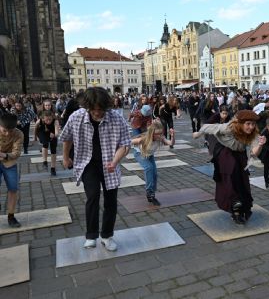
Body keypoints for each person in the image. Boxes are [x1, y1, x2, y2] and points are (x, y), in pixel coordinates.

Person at [60, 87, 130, 251]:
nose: (98, 113)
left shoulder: (116, 118)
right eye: (94, 109)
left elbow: (124, 144)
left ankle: (107, 236)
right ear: (88, 107)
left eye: (101, 109)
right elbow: (67, 138)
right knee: (92, 196)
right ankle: (91, 235)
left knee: (111, 200)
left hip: (109, 163)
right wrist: (65, 157)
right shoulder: (77, 117)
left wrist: (115, 161)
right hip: (87, 162)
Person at [193, 110, 265, 224]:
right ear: (240, 123)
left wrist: (260, 145)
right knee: (231, 170)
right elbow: (208, 127)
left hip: (239, 153)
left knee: (242, 178)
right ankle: (234, 200)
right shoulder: (228, 127)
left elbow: (254, 153)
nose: (251, 127)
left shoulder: (254, 133)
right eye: (248, 124)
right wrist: (198, 133)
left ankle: (238, 210)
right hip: (223, 150)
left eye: (253, 124)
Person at [131, 121, 175, 206]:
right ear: (152, 133)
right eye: (157, 134)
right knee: (149, 168)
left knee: (154, 173)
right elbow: (130, 141)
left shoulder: (161, 138)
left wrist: (172, 136)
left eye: (160, 133)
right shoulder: (143, 139)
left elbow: (171, 143)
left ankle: (152, 193)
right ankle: (149, 193)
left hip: (149, 155)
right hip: (140, 153)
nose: (159, 136)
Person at [0, 113, 23, 228]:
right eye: (4, 130)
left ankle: (11, 216)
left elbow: (16, 153)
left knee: (13, 189)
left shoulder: (18, 134)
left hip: (9, 163)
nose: (8, 133)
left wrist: (4, 155)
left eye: (11, 130)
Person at [34, 111, 60, 176]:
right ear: (43, 119)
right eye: (46, 120)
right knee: (45, 143)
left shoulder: (55, 121)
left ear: (52, 118)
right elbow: (35, 128)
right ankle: (44, 161)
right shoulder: (39, 121)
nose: (48, 121)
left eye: (50, 119)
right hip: (42, 132)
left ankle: (53, 168)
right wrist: (35, 137)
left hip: (52, 133)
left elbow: (57, 132)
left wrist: (54, 135)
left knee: (53, 150)